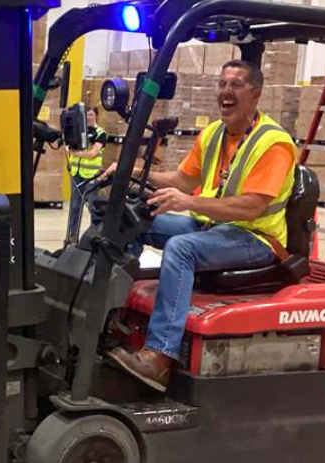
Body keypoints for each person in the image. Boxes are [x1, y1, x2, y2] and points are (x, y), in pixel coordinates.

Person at [104, 60, 296, 391]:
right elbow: (181, 178)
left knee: (181, 248)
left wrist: (189, 202)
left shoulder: (273, 143)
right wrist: (134, 171)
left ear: (256, 94)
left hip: (255, 238)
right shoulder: (213, 135)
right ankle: (109, 316)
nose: (225, 92)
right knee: (127, 218)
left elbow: (253, 207)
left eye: (235, 85)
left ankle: (160, 356)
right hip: (212, 228)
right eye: (222, 84)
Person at [65, 106, 108, 244]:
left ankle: (95, 235)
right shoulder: (78, 132)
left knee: (93, 206)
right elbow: (68, 148)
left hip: (91, 176)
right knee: (75, 206)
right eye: (87, 115)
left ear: (96, 116)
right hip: (76, 174)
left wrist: (76, 153)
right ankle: (72, 236)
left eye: (91, 115)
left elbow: (93, 153)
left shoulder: (100, 133)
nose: (89, 117)